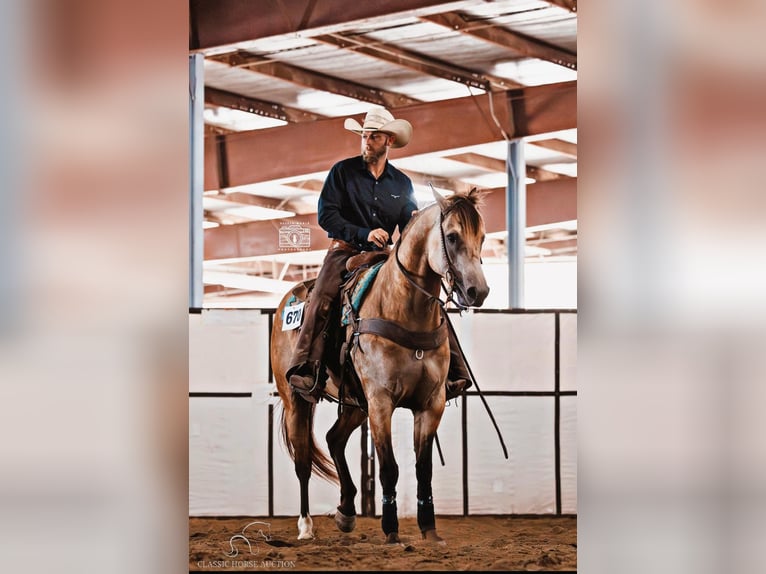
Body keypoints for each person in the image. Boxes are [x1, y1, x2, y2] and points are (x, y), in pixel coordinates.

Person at [286, 106, 472, 403]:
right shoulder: (342, 172)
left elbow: (406, 226)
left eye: (373, 137)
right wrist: (364, 233)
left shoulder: (401, 183)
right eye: (364, 136)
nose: (367, 142)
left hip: (383, 256)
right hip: (343, 252)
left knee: (429, 298)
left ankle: (454, 371)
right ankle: (307, 367)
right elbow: (327, 216)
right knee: (321, 297)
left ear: (388, 141)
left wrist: (412, 227)